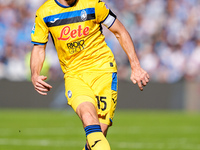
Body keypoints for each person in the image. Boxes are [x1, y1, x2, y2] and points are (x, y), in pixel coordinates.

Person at [30, 0, 150, 149]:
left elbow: (120, 31)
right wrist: (35, 74)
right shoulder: (44, 12)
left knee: (99, 131)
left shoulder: (93, 4)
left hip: (103, 71)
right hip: (74, 75)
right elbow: (39, 47)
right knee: (88, 119)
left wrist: (135, 65)